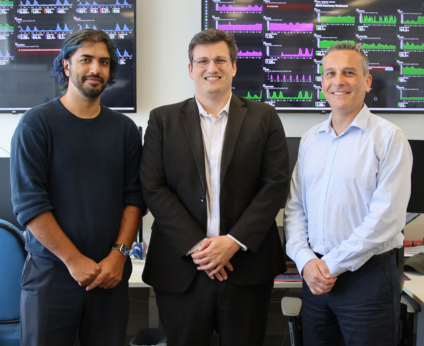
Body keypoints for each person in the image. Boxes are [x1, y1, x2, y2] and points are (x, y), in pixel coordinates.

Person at [141, 28, 289, 346]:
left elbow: (275, 185)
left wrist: (233, 241)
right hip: (182, 269)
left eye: (220, 59)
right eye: (203, 61)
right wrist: (199, 247)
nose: (212, 67)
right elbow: (154, 187)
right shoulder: (162, 120)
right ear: (191, 69)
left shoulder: (265, 117)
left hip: (246, 268)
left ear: (234, 66)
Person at [10, 29, 145, 346]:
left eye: (104, 62)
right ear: (67, 65)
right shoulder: (36, 124)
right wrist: (73, 260)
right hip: (52, 276)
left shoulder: (124, 130)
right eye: (86, 59)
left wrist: (119, 255)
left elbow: (135, 198)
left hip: (109, 276)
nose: (96, 69)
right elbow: (30, 205)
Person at [284, 42, 412, 346]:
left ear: (367, 82)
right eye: (330, 73)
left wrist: (328, 266)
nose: (338, 81)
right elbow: (294, 208)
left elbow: (385, 221)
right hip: (315, 280)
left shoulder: (389, 138)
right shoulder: (311, 139)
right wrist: (305, 261)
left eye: (349, 73)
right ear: (322, 82)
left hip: (367, 280)